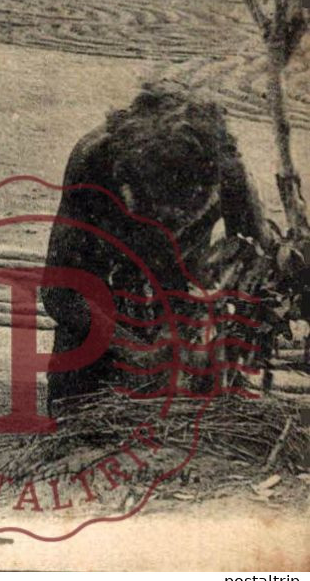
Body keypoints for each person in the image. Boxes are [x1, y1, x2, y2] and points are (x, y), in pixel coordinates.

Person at [41, 84, 265, 415]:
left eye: (179, 216)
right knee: (74, 406)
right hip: (111, 281)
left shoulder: (228, 173)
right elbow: (61, 290)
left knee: (224, 411)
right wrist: (126, 347)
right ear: (127, 179)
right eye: (153, 211)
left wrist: (214, 333)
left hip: (185, 283)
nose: (167, 225)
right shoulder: (96, 160)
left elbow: (258, 280)